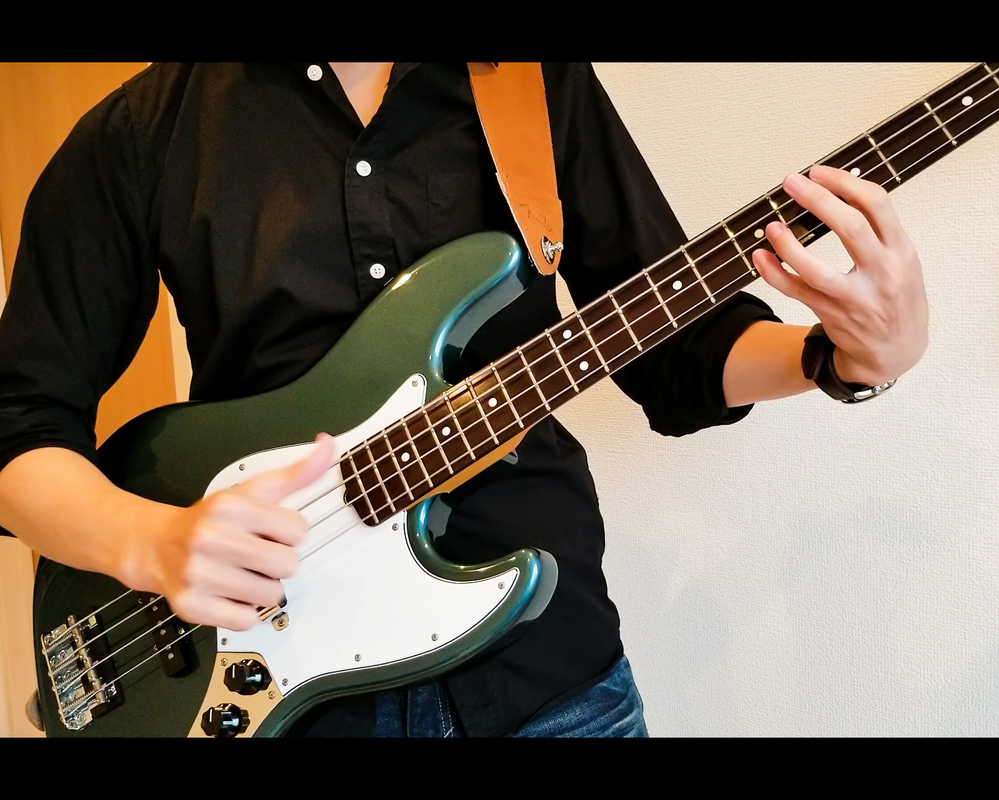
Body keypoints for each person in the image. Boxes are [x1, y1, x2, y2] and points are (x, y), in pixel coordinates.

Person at [0, 62, 928, 737]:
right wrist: (152, 542)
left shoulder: (530, 82)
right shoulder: (143, 130)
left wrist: (841, 357)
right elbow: (19, 423)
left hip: (548, 682)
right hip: (283, 687)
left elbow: (674, 350)